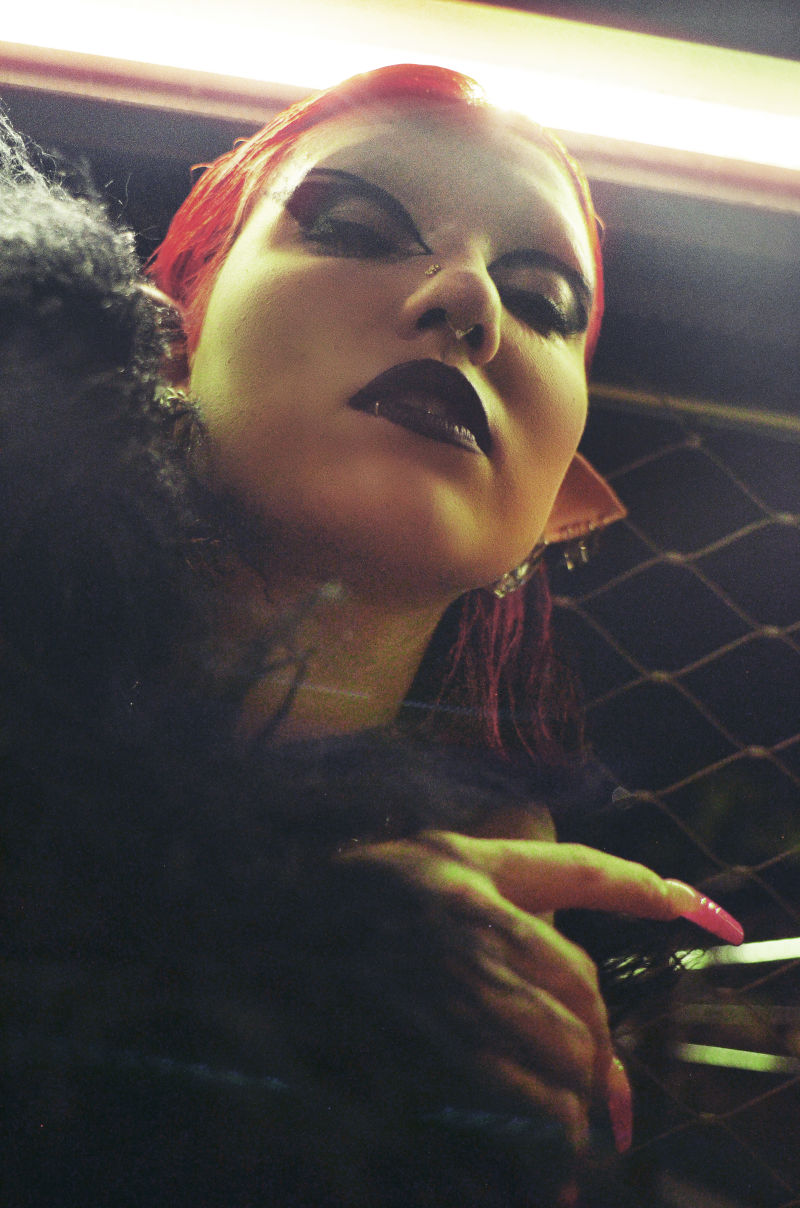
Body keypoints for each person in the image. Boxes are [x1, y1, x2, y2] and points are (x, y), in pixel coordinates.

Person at [1, 65, 742, 1207]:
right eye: (351, 227)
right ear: (170, 337)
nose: (469, 302)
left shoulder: (514, 930)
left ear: (558, 507)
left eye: (542, 301)